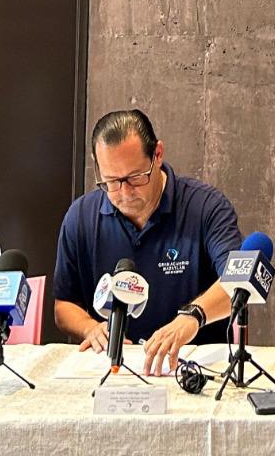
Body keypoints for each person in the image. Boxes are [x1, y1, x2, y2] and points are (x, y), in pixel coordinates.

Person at [53, 109, 242, 375]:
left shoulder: (206, 208)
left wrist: (193, 316)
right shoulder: (81, 217)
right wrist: (89, 327)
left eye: (135, 177)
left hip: (194, 372)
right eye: (111, 181)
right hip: (111, 371)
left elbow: (237, 283)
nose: (124, 192)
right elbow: (64, 305)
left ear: (158, 154)